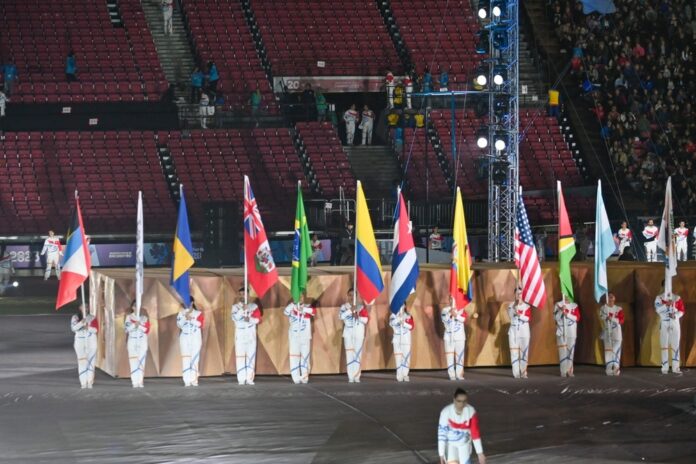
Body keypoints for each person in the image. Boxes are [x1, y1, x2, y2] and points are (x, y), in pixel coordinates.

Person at [437, 388, 487, 464]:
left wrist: (480, 453)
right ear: (454, 400)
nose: (461, 404)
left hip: (464, 444)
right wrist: (441, 454)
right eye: (459, 401)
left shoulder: (471, 411)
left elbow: (475, 433)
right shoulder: (445, 412)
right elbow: (442, 434)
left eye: (464, 401)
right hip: (450, 444)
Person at [284, 293, 316, 384]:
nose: (300, 298)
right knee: (294, 357)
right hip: (294, 337)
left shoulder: (307, 306)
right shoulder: (291, 307)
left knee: (305, 356)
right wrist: (294, 304)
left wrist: (303, 309)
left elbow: (313, 312)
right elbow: (285, 312)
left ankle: (304, 377)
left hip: (305, 336)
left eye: (301, 296)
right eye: (298, 296)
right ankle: (296, 378)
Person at [231, 289, 261, 385]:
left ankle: (249, 379)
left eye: (244, 294)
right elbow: (234, 318)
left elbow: (258, 320)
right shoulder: (235, 307)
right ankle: (241, 379)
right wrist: (242, 310)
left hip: (250, 334)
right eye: (240, 294)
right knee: (240, 357)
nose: (242, 296)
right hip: (240, 334)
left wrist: (250, 319)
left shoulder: (254, 306)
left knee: (251, 356)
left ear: (248, 295)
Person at [339, 289, 369, 383]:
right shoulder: (344, 307)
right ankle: (350, 376)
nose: (352, 297)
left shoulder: (361, 307)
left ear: (356, 296)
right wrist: (350, 311)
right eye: (350, 295)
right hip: (348, 334)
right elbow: (340, 316)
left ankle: (356, 375)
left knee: (357, 354)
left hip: (359, 333)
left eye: (353, 295)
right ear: (347, 296)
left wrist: (358, 317)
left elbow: (366, 320)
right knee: (349, 355)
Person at [654, 286, 684, 374]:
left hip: (675, 323)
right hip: (664, 324)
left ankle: (676, 368)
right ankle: (664, 368)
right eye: (665, 286)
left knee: (675, 345)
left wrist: (675, 315)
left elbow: (682, 310)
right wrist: (666, 305)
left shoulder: (677, 298)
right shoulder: (659, 298)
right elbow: (657, 309)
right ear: (663, 287)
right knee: (664, 345)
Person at [176, 300, 204, 386]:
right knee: (186, 359)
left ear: (192, 303)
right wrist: (185, 317)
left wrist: (191, 319)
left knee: (195, 359)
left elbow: (200, 324)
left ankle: (194, 380)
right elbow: (179, 324)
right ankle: (187, 380)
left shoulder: (198, 313)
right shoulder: (181, 313)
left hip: (195, 338)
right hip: (184, 338)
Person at [71, 305, 98, 389]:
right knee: (82, 361)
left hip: (91, 341)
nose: (85, 308)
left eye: (86, 307)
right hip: (80, 342)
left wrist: (88, 328)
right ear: (80, 308)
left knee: (91, 361)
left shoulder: (92, 317)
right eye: (83, 307)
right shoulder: (75, 317)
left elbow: (96, 330)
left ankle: (90, 382)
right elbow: (73, 328)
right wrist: (81, 323)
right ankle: (83, 382)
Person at [124, 302, 150, 388]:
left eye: (138, 306)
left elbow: (147, 330)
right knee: (133, 361)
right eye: (135, 306)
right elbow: (126, 329)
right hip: (132, 341)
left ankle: (140, 381)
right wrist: (135, 325)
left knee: (141, 361)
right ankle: (135, 381)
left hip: (142, 341)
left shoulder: (144, 318)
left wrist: (139, 326)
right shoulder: (129, 317)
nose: (136, 307)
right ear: (132, 307)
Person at [553, 295, 580, 377]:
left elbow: (577, 318)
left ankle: (570, 371)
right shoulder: (558, 304)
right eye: (565, 294)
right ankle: (563, 371)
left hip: (571, 332)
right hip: (561, 332)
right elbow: (555, 318)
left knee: (570, 352)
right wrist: (561, 311)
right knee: (562, 352)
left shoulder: (574, 305)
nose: (567, 296)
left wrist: (567, 314)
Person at [441, 300, 467, 381]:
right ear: (449, 300)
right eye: (451, 299)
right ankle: (451, 374)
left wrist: (456, 315)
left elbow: (463, 319)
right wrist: (449, 313)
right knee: (449, 357)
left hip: (460, 337)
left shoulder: (461, 309)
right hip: (448, 337)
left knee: (460, 356)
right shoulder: (445, 310)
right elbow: (444, 320)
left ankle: (459, 374)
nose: (453, 301)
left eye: (455, 298)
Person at [508, 289, 531, 379]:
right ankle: (516, 374)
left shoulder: (527, 306)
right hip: (513, 332)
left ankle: (523, 373)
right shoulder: (511, 305)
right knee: (514, 353)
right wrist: (514, 307)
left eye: (520, 293)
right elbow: (510, 316)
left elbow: (528, 318)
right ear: (514, 295)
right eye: (517, 293)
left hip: (524, 332)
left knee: (524, 353)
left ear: (522, 295)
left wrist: (519, 315)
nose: (519, 295)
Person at [599, 293, 624, 376]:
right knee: (608, 352)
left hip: (617, 333)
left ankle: (616, 368)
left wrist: (612, 318)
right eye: (609, 297)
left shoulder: (618, 309)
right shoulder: (603, 308)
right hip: (607, 333)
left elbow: (621, 320)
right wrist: (606, 316)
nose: (610, 298)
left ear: (614, 298)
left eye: (612, 297)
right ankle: (609, 369)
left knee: (616, 351)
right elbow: (601, 316)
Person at [389, 305, 414, 382]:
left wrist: (404, 323)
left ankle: (405, 374)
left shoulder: (408, 316)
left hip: (406, 339)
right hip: (397, 339)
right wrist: (398, 318)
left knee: (406, 357)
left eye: (402, 304)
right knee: (398, 357)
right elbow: (391, 323)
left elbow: (412, 327)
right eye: (399, 305)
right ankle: (399, 375)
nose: (401, 306)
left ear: (405, 306)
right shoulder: (393, 315)